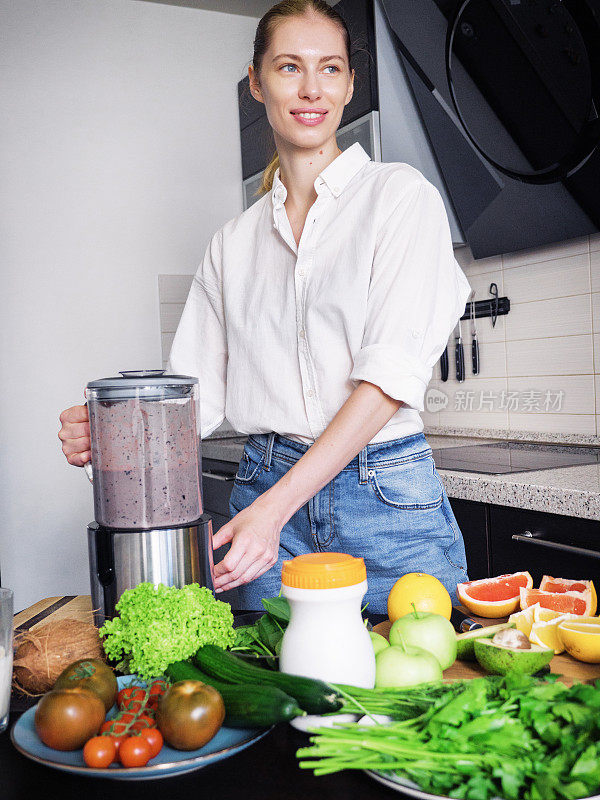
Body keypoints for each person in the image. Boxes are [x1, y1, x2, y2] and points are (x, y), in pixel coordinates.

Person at [59, 0, 472, 614]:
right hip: (264, 493)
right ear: (257, 82)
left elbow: (386, 382)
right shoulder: (232, 244)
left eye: (330, 68)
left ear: (351, 83)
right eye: (288, 67)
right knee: (266, 694)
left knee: (413, 691)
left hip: (383, 499)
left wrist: (274, 509)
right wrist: (111, 439)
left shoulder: (401, 200)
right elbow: (192, 402)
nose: (311, 89)